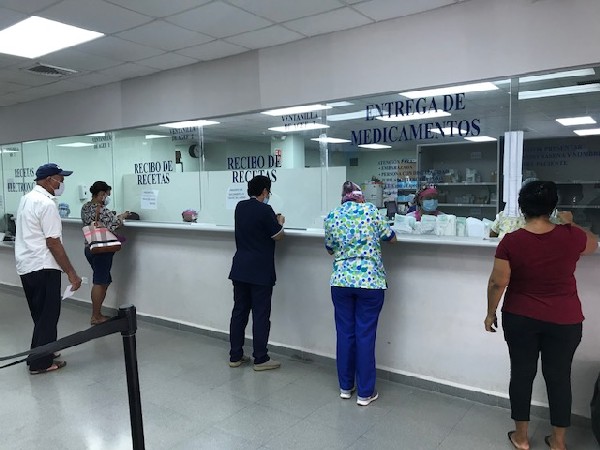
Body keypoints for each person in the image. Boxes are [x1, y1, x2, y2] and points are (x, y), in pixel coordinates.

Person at [484, 181, 598, 450]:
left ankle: (521, 438)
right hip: (565, 320)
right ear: (553, 207)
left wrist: (490, 313)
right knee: (559, 378)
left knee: (521, 374)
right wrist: (571, 223)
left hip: (520, 317)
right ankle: (558, 441)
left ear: (522, 208)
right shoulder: (570, 236)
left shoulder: (512, 241)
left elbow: (498, 282)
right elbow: (593, 243)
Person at [324, 181, 396, 406]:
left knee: (345, 334)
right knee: (365, 335)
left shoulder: (332, 215)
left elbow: (329, 249)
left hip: (341, 282)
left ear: (343, 197)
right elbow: (391, 238)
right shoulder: (371, 211)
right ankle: (365, 393)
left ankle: (346, 387)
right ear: (360, 196)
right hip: (370, 282)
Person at [15, 163, 82, 374]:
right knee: (48, 315)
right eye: (60, 179)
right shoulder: (47, 204)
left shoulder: (26, 199)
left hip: (27, 265)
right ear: (48, 180)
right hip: (44, 266)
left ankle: (43, 352)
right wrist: (71, 273)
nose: (62, 183)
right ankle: (40, 363)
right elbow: (53, 242)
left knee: (40, 314)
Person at [228, 175, 285, 371]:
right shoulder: (265, 210)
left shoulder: (240, 207)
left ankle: (235, 355)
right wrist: (280, 222)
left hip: (240, 268)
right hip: (260, 271)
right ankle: (260, 358)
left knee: (239, 312)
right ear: (264, 191)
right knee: (261, 314)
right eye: (268, 192)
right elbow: (277, 236)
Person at [81, 181, 130, 325]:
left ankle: (97, 313)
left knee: (104, 281)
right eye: (107, 195)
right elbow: (115, 225)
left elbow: (101, 221)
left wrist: (114, 216)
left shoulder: (85, 207)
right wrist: (122, 216)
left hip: (89, 247)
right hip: (102, 250)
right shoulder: (102, 210)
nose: (107, 198)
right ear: (101, 194)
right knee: (100, 282)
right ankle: (96, 316)